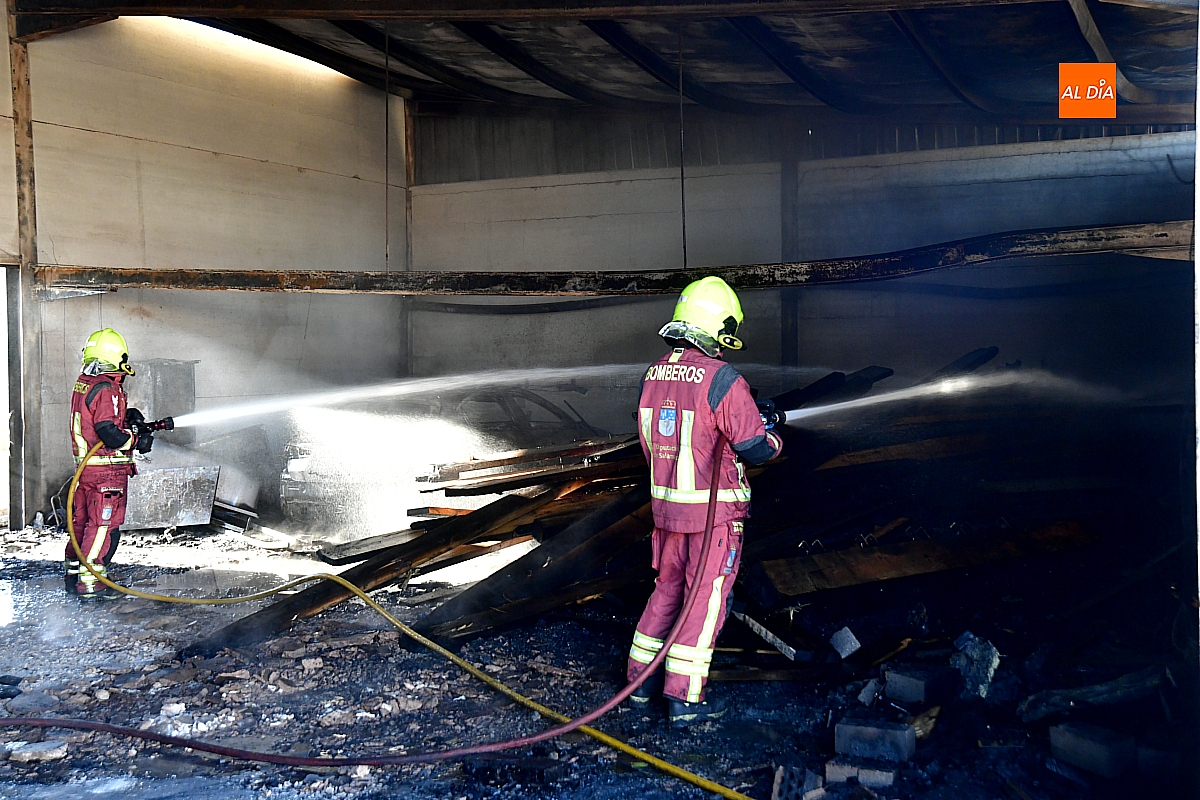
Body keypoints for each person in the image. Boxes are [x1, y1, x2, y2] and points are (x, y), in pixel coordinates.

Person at [626, 276, 783, 727]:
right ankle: (685, 699)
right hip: (714, 517)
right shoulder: (723, 379)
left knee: (667, 590)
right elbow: (755, 447)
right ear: (718, 327)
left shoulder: (653, 375)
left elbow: (653, 441)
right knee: (705, 599)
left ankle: (640, 685)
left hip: (667, 511)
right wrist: (774, 436)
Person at [65, 328, 154, 598]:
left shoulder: (85, 382)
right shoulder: (107, 388)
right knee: (103, 528)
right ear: (118, 357)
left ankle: (74, 574)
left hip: (86, 471)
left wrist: (126, 416)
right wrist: (137, 440)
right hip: (106, 472)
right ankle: (92, 583)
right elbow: (109, 433)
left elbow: (95, 419)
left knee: (82, 523)